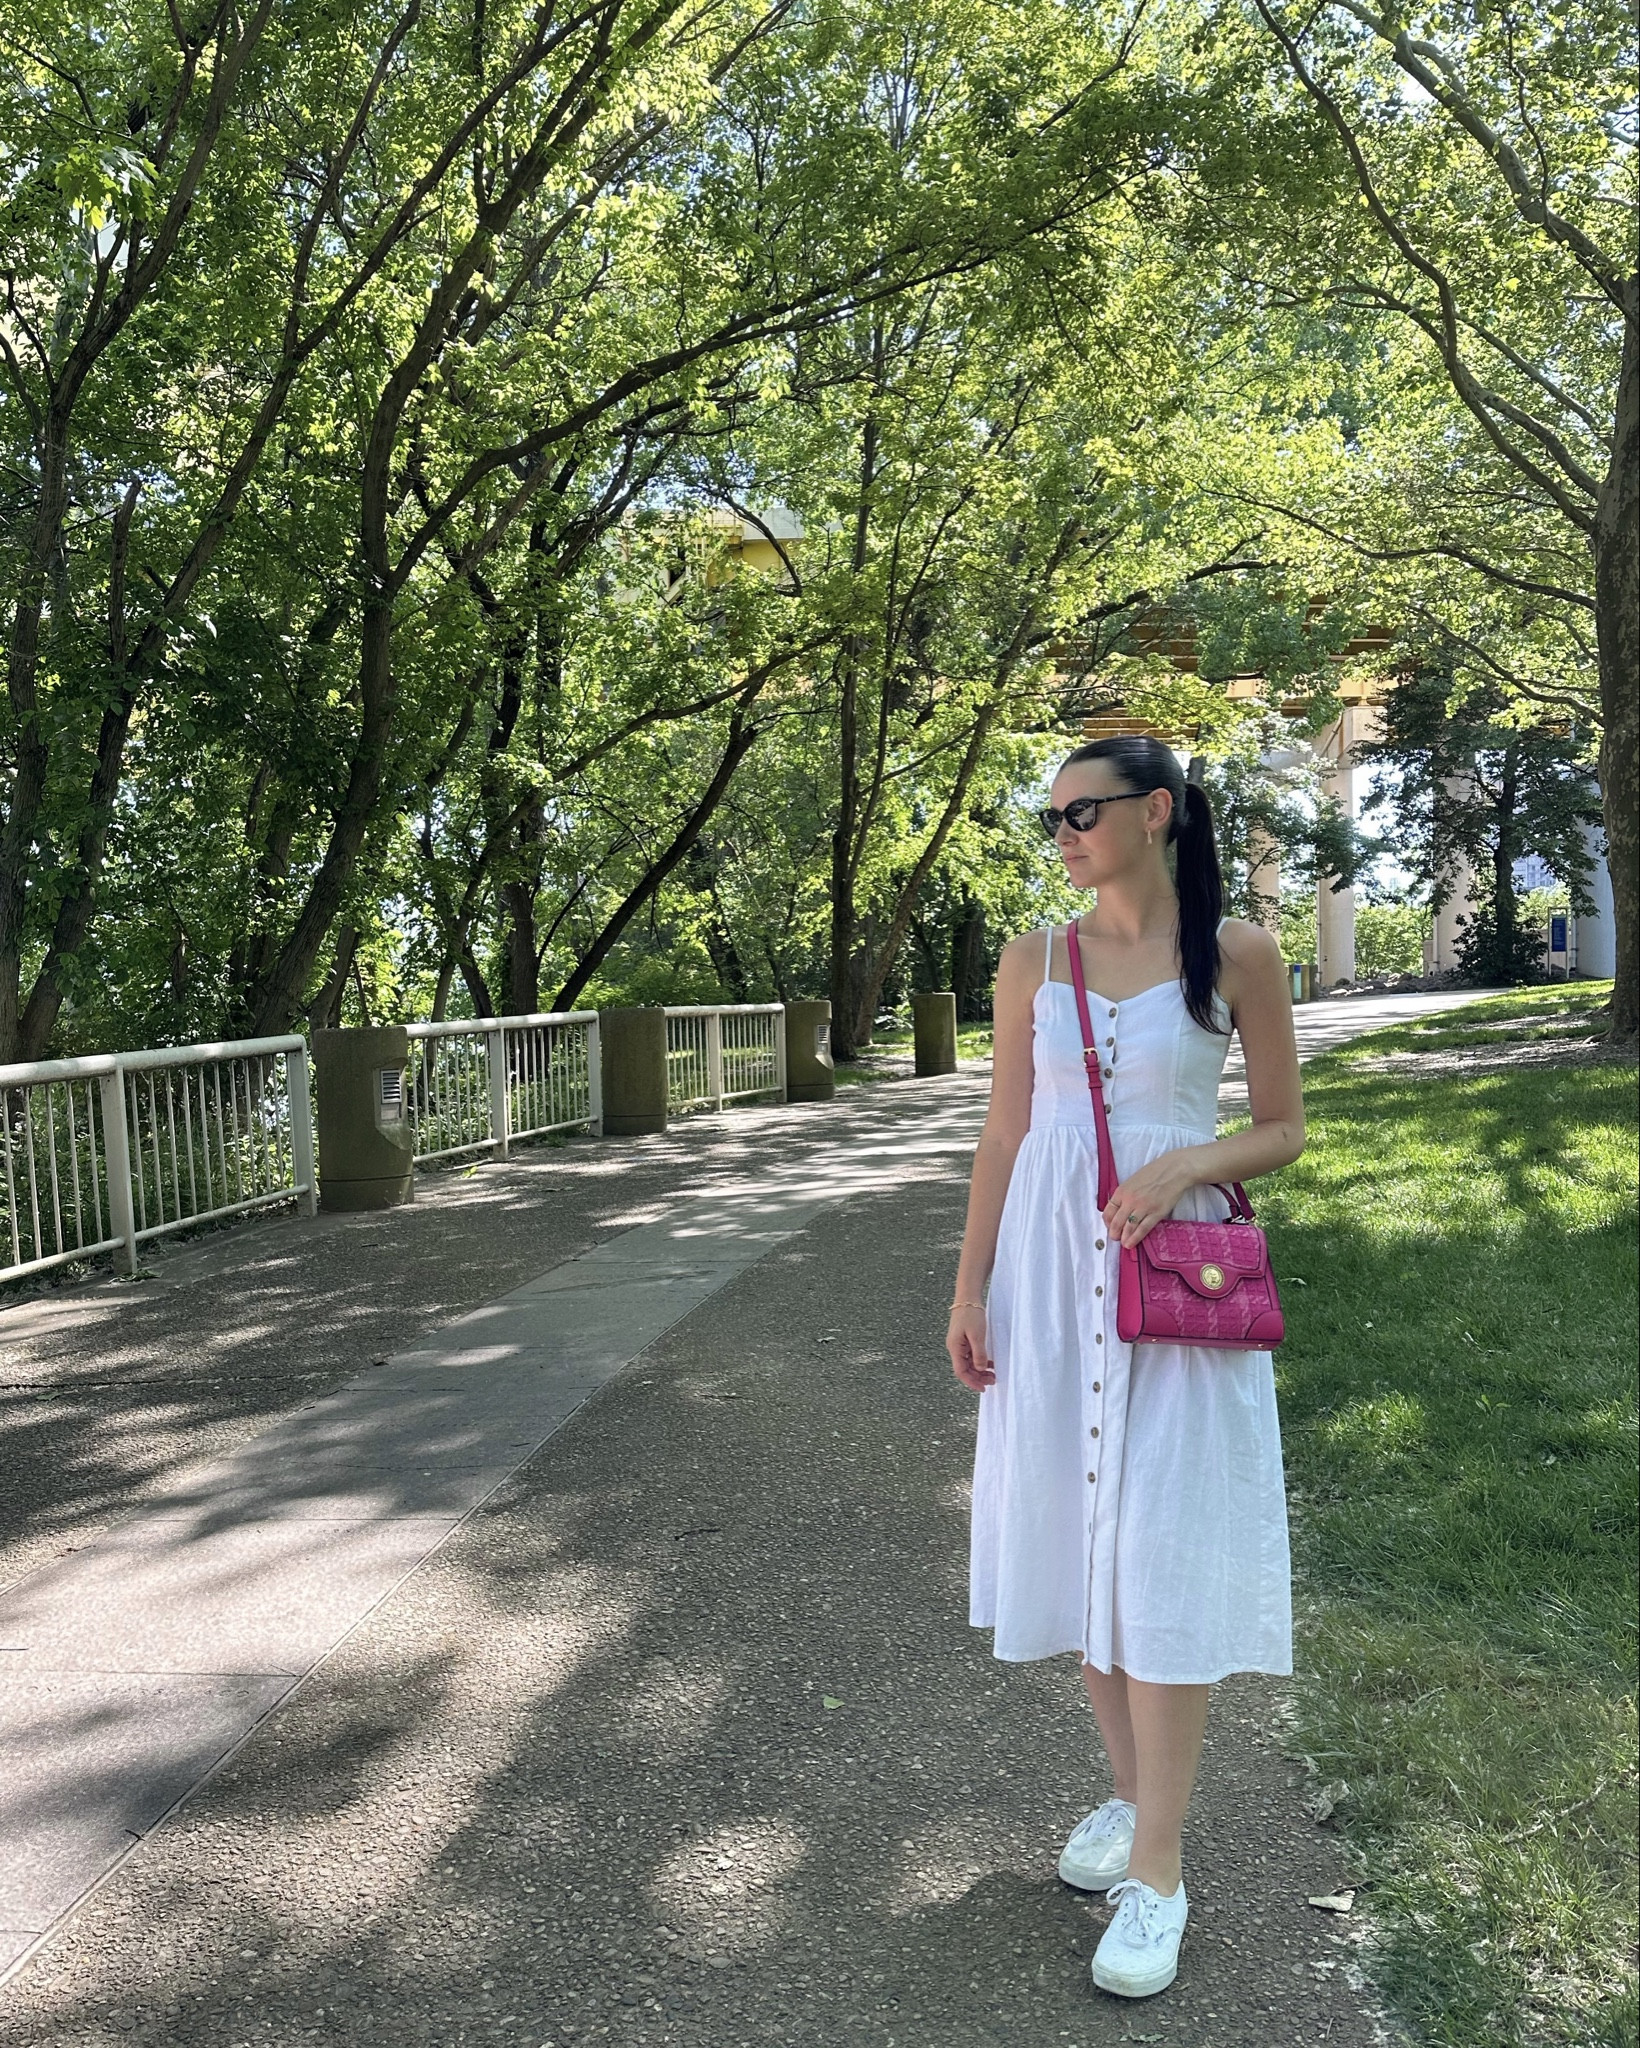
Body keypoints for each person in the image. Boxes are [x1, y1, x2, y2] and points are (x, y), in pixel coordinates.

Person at [945, 736, 1305, 2000]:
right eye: (1049, 818)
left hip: (1171, 1284)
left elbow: (1280, 1127)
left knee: (1155, 1549)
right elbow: (1005, 1126)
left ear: (1154, 812)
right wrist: (968, 1281)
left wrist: (1182, 1164)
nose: (1063, 834)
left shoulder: (1237, 955)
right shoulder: (1032, 957)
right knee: (1080, 1545)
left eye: (1083, 811)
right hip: (1050, 1282)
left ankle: (1158, 1868)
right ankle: (1130, 1797)